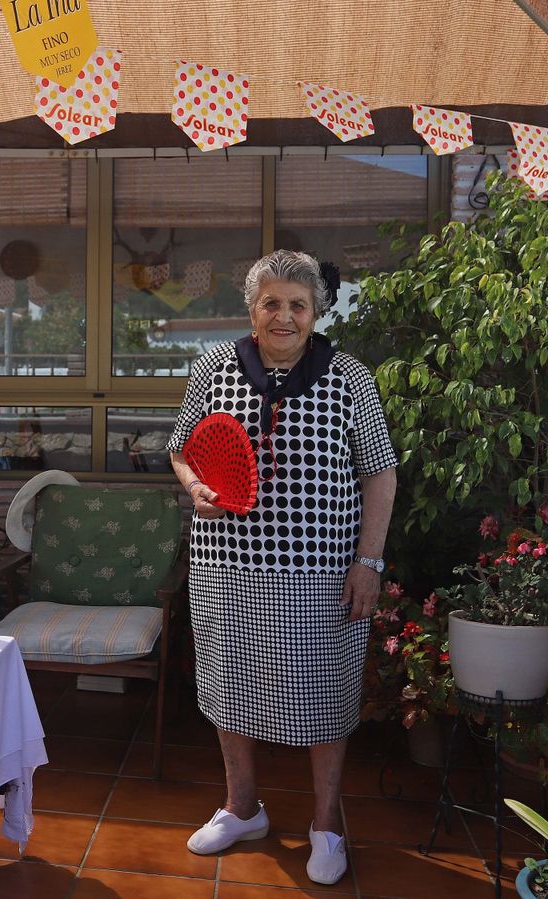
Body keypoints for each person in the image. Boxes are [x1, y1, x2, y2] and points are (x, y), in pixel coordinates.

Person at [167, 250, 397, 885]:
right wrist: (194, 487)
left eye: (298, 304)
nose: (285, 316)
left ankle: (326, 824)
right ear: (253, 309)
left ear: (316, 312)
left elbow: (380, 470)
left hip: (321, 571)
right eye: (272, 303)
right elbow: (182, 448)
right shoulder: (215, 369)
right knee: (228, 689)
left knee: (324, 693)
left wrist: (368, 562)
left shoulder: (348, 378)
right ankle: (243, 808)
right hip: (225, 566)